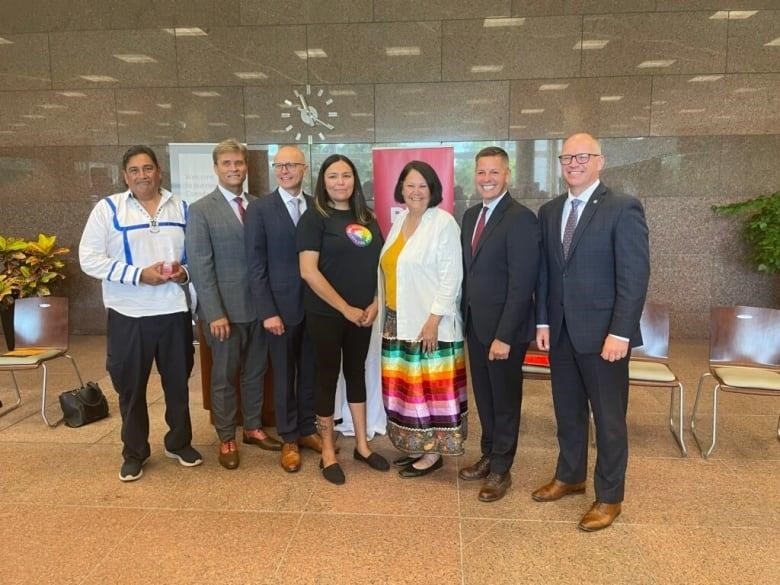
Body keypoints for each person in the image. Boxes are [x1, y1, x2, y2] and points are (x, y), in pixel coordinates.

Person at [533, 132, 650, 532]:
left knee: (609, 418)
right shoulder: (550, 212)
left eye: (583, 156)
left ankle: (609, 496)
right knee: (567, 411)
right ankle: (570, 476)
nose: (574, 163)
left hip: (605, 337)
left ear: (600, 160)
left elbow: (634, 277)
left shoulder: (622, 208)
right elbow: (547, 272)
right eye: (567, 157)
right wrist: (544, 322)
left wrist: (620, 331)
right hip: (561, 332)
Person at [79, 145, 202, 482]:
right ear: (125, 176)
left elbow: (197, 255)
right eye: (135, 170)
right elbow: (88, 258)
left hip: (174, 311)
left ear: (158, 171)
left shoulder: (182, 207)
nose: (142, 175)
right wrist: (137, 275)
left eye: (148, 168)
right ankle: (135, 452)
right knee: (131, 388)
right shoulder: (108, 209)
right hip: (128, 313)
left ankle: (179, 442)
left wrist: (184, 273)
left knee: (177, 383)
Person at [185, 139, 281, 471]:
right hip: (223, 314)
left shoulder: (258, 205)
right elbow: (200, 266)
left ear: (246, 167)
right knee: (224, 377)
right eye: (226, 163)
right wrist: (214, 313)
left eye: (238, 163)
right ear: (216, 168)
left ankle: (252, 427)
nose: (233, 169)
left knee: (256, 371)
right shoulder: (200, 210)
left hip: (260, 310)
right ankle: (226, 436)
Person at [297, 154, 389, 484]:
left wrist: (376, 303)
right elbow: (308, 272)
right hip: (326, 314)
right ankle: (327, 452)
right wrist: (344, 308)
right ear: (323, 181)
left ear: (354, 180)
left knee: (356, 373)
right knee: (326, 376)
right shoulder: (314, 219)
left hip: (363, 315)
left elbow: (382, 264)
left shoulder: (366, 217)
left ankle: (362, 446)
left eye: (346, 176)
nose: (340, 182)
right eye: (333, 176)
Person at [459, 146, 540, 502]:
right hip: (476, 325)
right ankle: (489, 454)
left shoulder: (520, 218)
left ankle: (502, 469)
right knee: (486, 399)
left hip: (504, 332)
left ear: (507, 175)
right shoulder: (470, 215)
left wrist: (505, 335)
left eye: (494, 172)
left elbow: (523, 283)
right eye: (481, 172)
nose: (487, 179)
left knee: (505, 400)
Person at [378, 160, 466, 478]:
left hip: (429, 324)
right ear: (401, 188)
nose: (416, 191)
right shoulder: (399, 221)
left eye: (422, 186)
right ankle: (415, 445)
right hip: (395, 321)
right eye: (410, 185)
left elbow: (451, 276)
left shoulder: (442, 223)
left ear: (433, 190)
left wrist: (432, 320)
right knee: (406, 390)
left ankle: (433, 454)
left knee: (430, 392)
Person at [245, 145, 324, 474]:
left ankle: (307, 429)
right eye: (280, 165)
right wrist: (268, 312)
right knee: (283, 375)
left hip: (315, 308)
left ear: (305, 168)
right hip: (279, 310)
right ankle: (289, 437)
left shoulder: (317, 207)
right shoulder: (261, 209)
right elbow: (255, 265)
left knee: (310, 372)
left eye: (292, 165)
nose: (285, 170)